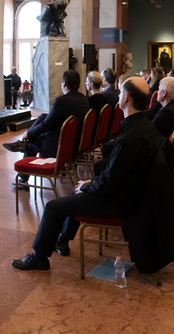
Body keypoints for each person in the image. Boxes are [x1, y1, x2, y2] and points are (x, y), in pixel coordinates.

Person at [10, 77, 160, 271]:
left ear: (127, 98)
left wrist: (88, 185)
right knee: (78, 190)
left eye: (121, 93)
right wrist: (90, 182)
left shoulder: (130, 137)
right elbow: (117, 174)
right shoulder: (144, 127)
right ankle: (62, 242)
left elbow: (109, 184)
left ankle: (39, 257)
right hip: (130, 194)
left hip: (120, 201)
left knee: (52, 207)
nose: (118, 96)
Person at [3, 70, 91, 187]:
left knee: (32, 141)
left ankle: (23, 180)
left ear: (64, 83)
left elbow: (47, 126)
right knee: (43, 116)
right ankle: (24, 143)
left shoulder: (61, 101)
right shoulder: (84, 100)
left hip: (60, 147)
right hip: (75, 144)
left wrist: (28, 134)